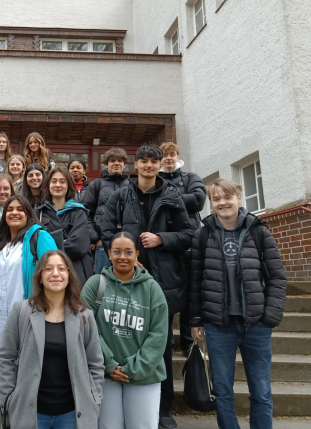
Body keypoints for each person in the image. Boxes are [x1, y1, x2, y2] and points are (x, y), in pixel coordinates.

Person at [100, 144, 192, 429]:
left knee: (161, 343)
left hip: (163, 278)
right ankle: (127, 398)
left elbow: (188, 233)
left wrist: (162, 239)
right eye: (144, 161)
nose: (149, 166)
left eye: (154, 161)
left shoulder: (172, 195)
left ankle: (163, 409)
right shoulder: (119, 195)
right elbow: (106, 231)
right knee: (124, 335)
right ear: (135, 165)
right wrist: (125, 256)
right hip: (126, 276)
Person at [189, 179, 286, 429]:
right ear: (212, 203)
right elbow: (196, 279)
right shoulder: (202, 234)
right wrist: (196, 318)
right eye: (217, 199)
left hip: (256, 325)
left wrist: (269, 318)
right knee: (222, 391)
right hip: (218, 326)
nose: (222, 203)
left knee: (261, 391)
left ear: (238, 198)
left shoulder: (258, 231)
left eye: (227, 197)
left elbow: (276, 276)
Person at [0, 250, 105, 429]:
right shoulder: (21, 311)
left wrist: (95, 398)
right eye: (48, 269)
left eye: (62, 269)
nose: (55, 274)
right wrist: (9, 397)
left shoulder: (84, 315)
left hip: (72, 413)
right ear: (40, 277)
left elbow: (95, 363)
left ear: (69, 276)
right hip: (31, 412)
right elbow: (5, 357)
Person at [81, 232, 168, 429]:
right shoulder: (96, 284)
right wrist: (109, 364)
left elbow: (158, 334)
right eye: (117, 252)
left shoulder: (152, 288)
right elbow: (86, 326)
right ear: (109, 254)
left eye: (128, 252)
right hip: (105, 375)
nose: (123, 256)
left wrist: (134, 368)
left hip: (144, 377)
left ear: (137, 254)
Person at [0, 195, 58, 354]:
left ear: (28, 214)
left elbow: (55, 277)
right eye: (9, 209)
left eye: (20, 209)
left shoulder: (40, 237)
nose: (14, 213)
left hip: (28, 322)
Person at [159, 142, 207, 353]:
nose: (168, 158)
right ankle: (166, 342)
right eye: (165, 155)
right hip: (165, 243)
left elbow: (198, 200)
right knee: (165, 293)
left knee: (190, 292)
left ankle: (188, 342)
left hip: (190, 242)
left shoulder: (191, 178)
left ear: (178, 157)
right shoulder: (156, 179)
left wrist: (168, 199)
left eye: (172, 155)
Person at [36, 167, 93, 287]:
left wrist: (48, 244)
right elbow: (34, 243)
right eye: (54, 181)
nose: (58, 185)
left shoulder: (78, 212)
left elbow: (79, 245)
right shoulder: (38, 213)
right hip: (48, 271)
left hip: (75, 269)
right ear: (48, 185)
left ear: (68, 185)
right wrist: (63, 242)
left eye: (62, 181)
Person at [82, 147, 130, 274]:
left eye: (120, 160)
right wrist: (96, 239)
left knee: (126, 282)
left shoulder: (132, 185)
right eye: (112, 160)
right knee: (102, 283)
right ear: (106, 164)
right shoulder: (96, 184)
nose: (116, 163)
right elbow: (85, 214)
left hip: (128, 244)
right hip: (102, 245)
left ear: (125, 164)